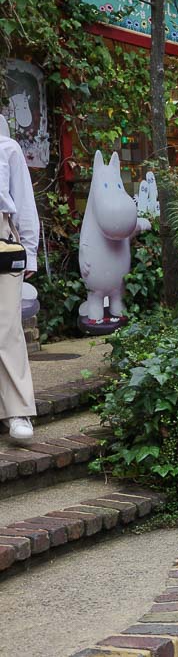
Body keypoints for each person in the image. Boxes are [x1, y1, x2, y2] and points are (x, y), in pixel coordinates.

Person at [0, 118, 39, 442]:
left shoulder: (7, 148)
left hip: (2, 240)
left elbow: (24, 204)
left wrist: (30, 250)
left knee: (7, 326)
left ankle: (17, 410)